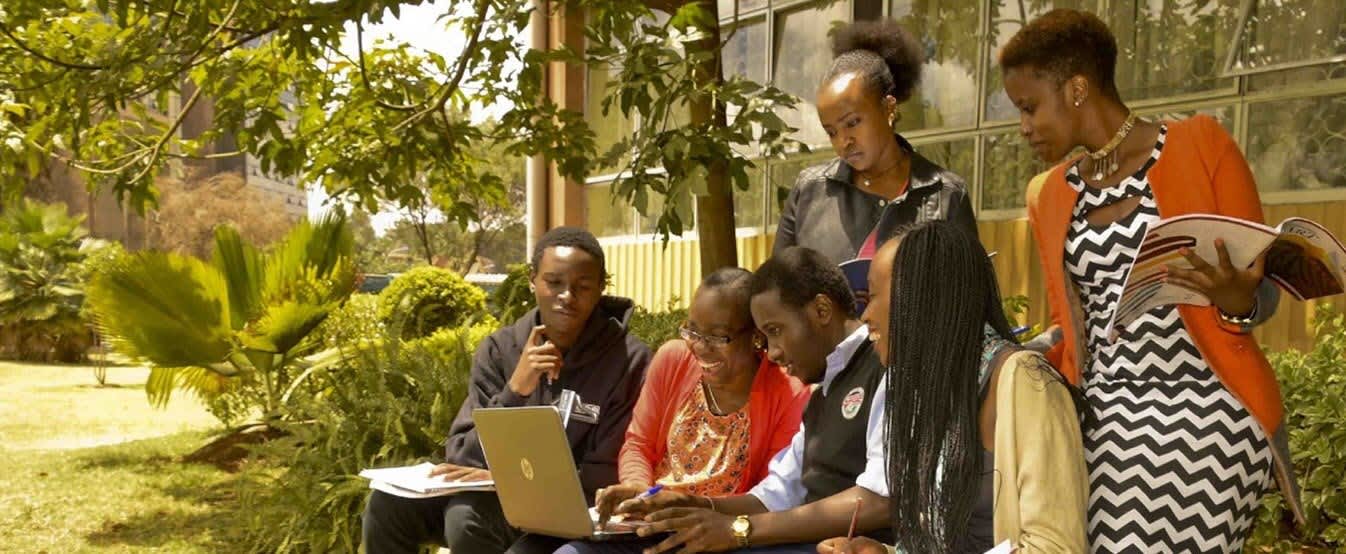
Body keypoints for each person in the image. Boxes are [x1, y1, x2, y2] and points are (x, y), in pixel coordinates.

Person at [1000, 9, 1304, 551]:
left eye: (1029, 108)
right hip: (1103, 415)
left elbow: (1262, 295)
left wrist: (1236, 299)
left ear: (1076, 89)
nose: (1023, 127)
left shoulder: (1201, 144)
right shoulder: (1047, 194)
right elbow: (1068, 328)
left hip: (1209, 407)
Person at [361, 227, 652, 554]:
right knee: (386, 506)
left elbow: (606, 472)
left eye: (582, 286)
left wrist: (509, 480)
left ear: (601, 288)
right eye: (554, 282)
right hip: (492, 494)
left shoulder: (629, 361)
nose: (567, 296)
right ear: (532, 280)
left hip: (570, 510)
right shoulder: (500, 350)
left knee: (466, 518)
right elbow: (461, 453)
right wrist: (517, 388)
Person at [817, 221, 1088, 554]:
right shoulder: (928, 391)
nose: (867, 315)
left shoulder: (1023, 381)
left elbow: (1056, 546)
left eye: (872, 297)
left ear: (923, 297)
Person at [605, 247, 892, 553]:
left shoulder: (885, 372)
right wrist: (691, 503)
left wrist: (740, 530)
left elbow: (877, 501)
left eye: (776, 331)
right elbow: (774, 496)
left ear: (821, 311)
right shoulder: (823, 391)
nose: (773, 352)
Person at [555, 268, 812, 553]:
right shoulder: (673, 359)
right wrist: (638, 487)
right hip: (649, 526)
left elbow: (770, 496)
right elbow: (638, 443)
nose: (699, 347)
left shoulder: (789, 392)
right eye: (692, 331)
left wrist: (695, 511)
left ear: (755, 336)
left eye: (717, 337)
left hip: (722, 537)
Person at [774, 18, 978, 268]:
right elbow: (777, 295)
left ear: (889, 108)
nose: (843, 142)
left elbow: (969, 296)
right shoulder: (808, 192)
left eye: (852, 123)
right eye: (831, 132)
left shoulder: (947, 195)